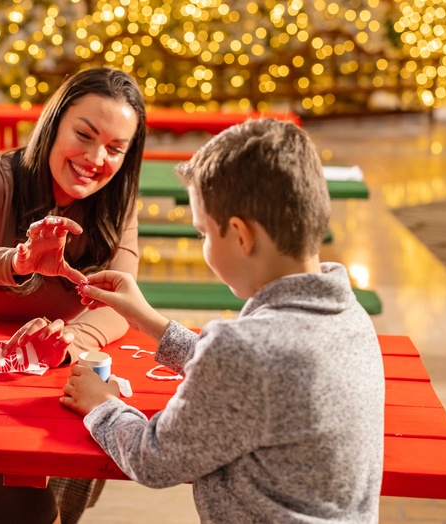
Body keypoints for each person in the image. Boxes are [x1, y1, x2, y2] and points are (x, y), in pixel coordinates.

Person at [62, 118, 386, 523]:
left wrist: (103, 404)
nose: (204, 246)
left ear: (240, 235)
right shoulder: (347, 315)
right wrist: (148, 320)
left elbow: (154, 459)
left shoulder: (245, 351)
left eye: (203, 233)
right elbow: (255, 379)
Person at [0, 67, 147, 523]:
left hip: (51, 378)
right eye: (83, 135)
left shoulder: (118, 202)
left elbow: (123, 304)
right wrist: (18, 262)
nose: (95, 157)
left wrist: (67, 340)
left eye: (114, 148)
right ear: (53, 124)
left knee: (18, 485)